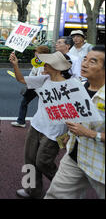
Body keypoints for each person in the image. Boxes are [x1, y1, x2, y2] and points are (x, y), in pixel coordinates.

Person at [9, 51, 72, 199]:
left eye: (47, 63)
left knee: (43, 162)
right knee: (29, 159)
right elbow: (21, 79)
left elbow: (76, 113)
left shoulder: (70, 86)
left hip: (55, 131)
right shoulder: (44, 79)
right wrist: (15, 65)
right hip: (36, 125)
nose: (44, 65)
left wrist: (69, 133)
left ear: (56, 67)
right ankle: (32, 191)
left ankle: (64, 190)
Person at [45, 46, 105, 199]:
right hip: (75, 156)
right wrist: (69, 134)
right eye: (85, 59)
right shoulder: (78, 87)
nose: (84, 64)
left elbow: (87, 130)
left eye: (93, 61)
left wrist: (89, 133)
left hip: (100, 164)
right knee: (55, 195)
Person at [11, 45, 50, 128]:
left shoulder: (49, 63)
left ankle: (43, 122)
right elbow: (31, 74)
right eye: (35, 53)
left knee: (44, 105)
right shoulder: (36, 62)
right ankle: (21, 121)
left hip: (43, 87)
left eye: (37, 53)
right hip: (34, 86)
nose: (35, 55)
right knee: (24, 102)